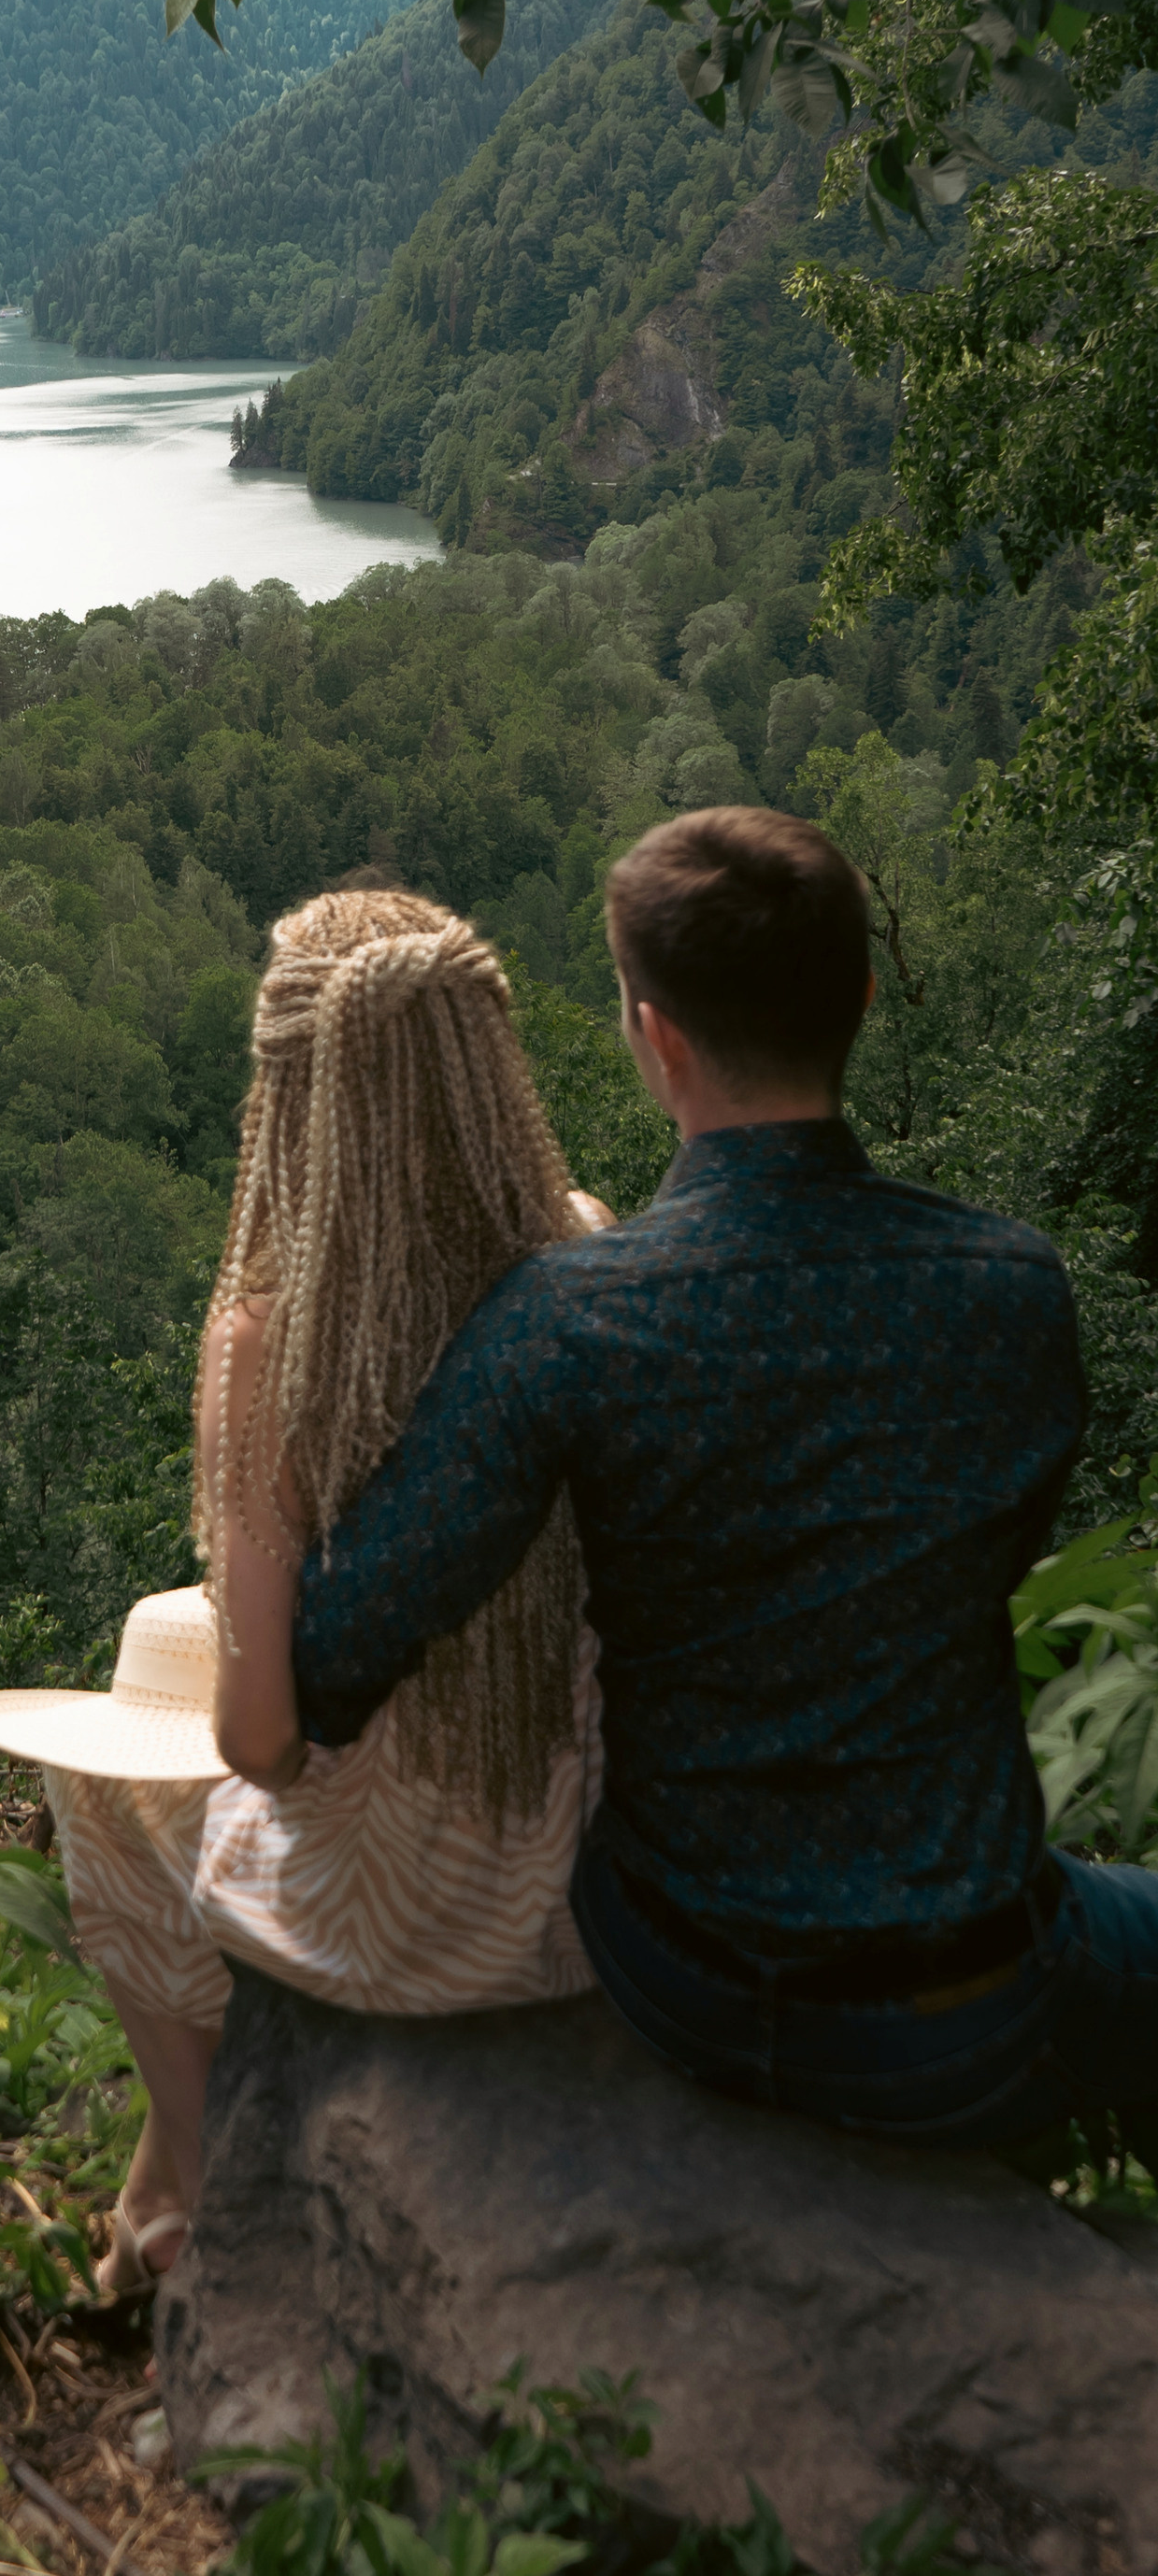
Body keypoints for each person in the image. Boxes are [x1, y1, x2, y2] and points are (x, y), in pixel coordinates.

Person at [294, 805, 1158, 2164]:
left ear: (656, 1034)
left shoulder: (568, 1320)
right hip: (965, 2011)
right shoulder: (1009, 1292)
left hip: (679, 1980)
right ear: (863, 999)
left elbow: (336, 1651)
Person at [0, 887, 612, 2295]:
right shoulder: (573, 1242)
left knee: (106, 1769)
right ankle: (152, 2198)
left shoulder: (264, 1339)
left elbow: (258, 1739)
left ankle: (214, 2200)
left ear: (289, 1090)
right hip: (569, 1867)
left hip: (399, 1919)